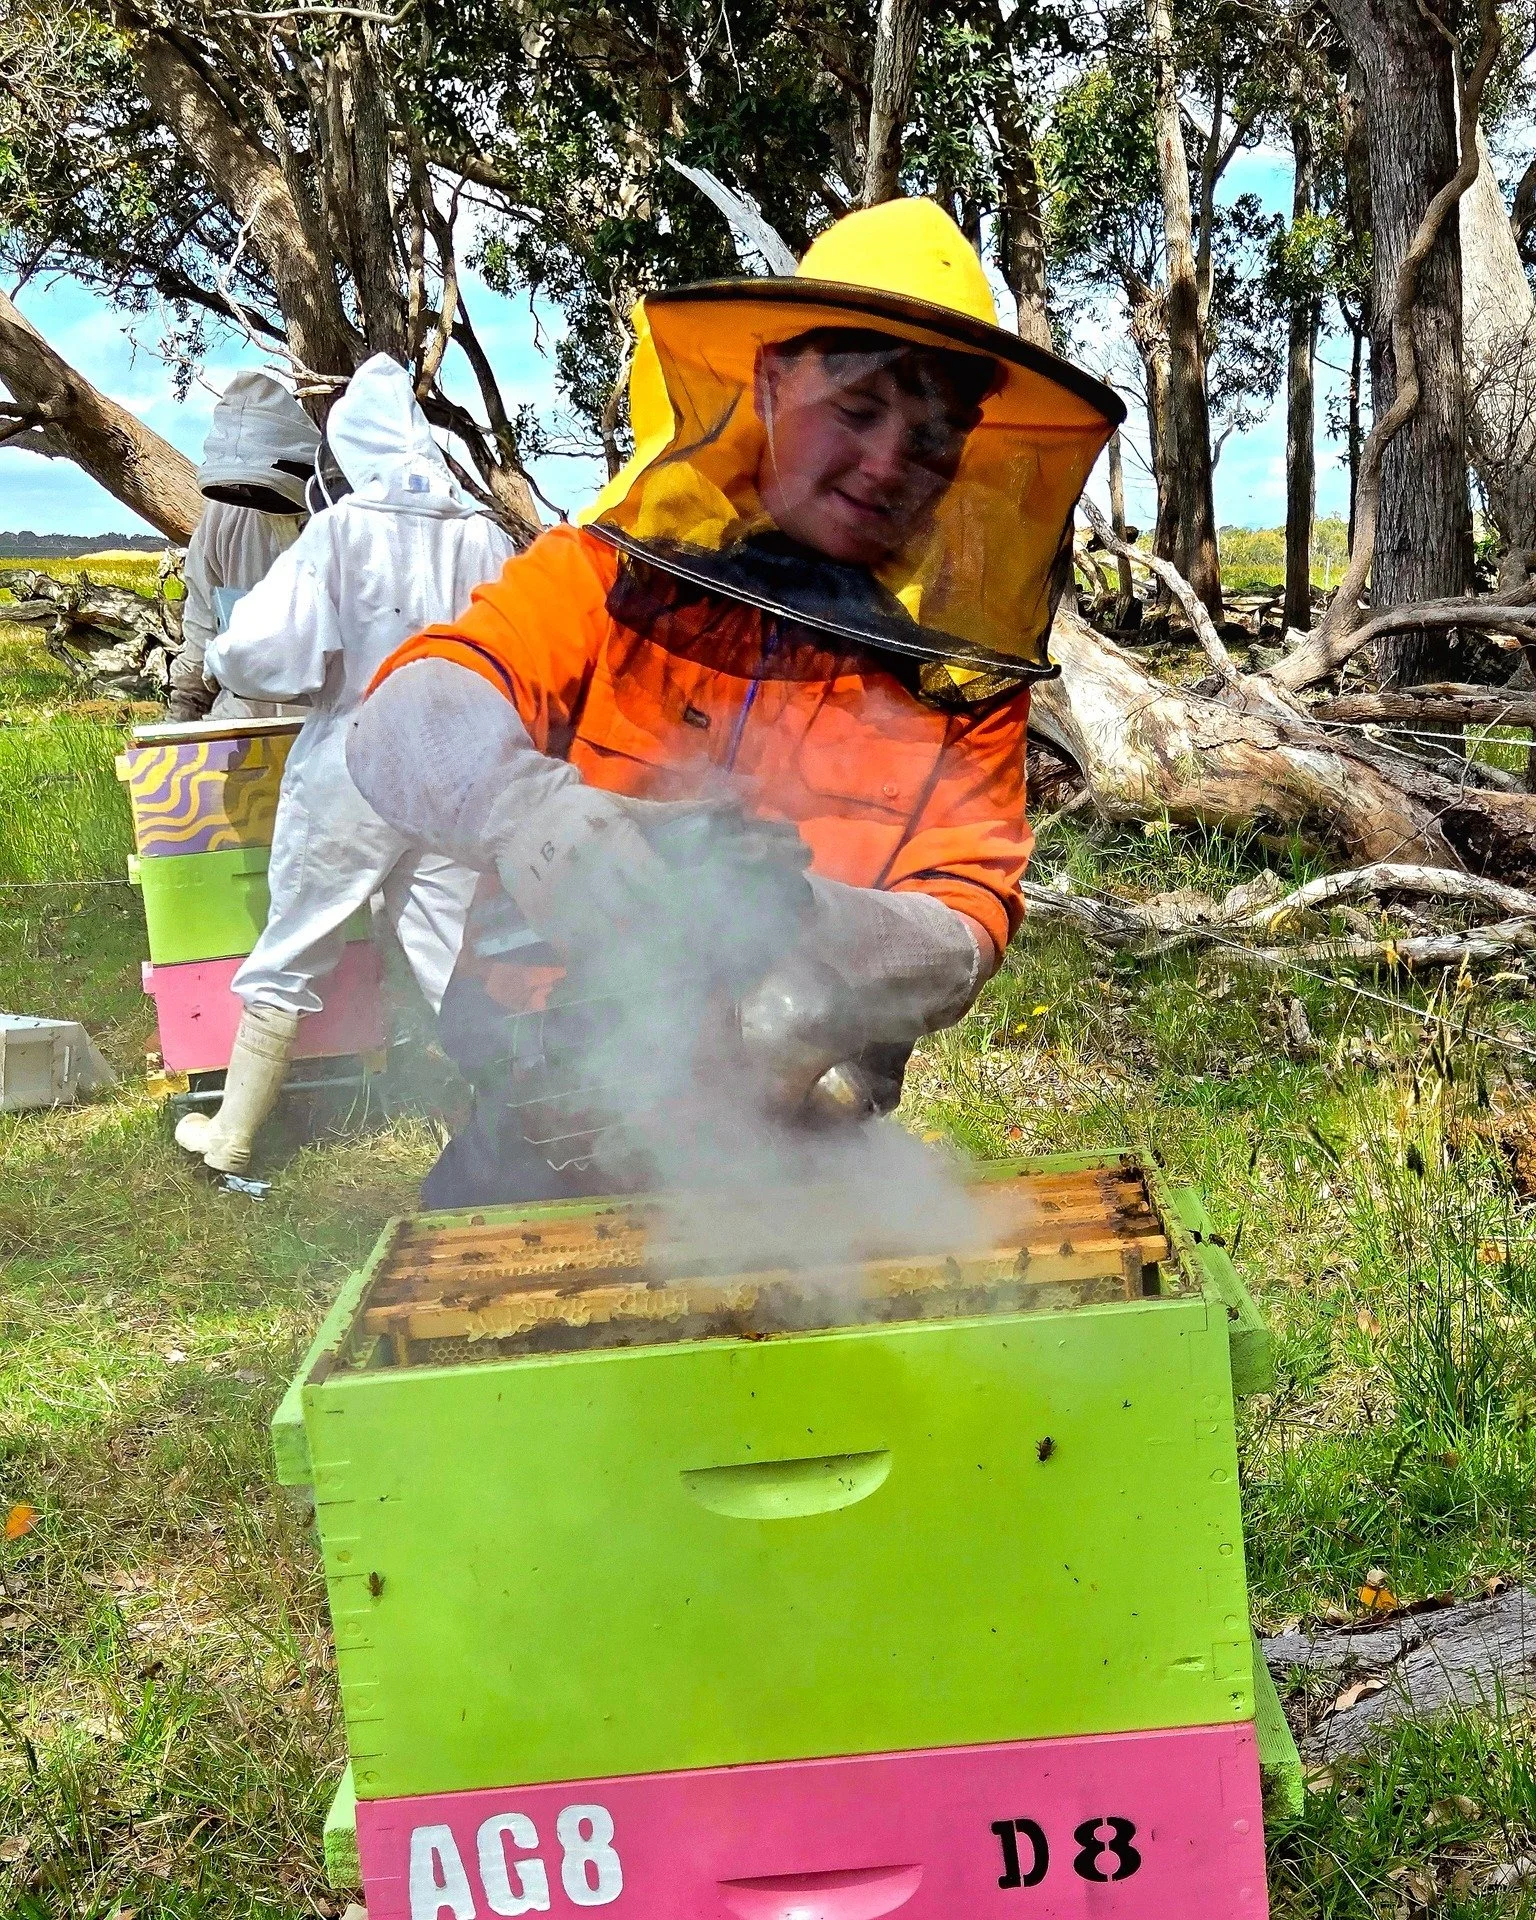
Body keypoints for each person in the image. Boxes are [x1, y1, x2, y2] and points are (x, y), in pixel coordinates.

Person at [347, 197, 1124, 1208]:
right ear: (769, 384)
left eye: (932, 438)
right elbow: (408, 713)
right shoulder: (605, 580)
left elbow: (967, 920)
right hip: (539, 1135)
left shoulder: (955, 682)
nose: (888, 464)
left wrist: (809, 936)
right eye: (857, 411)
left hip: (795, 1151)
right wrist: (528, 813)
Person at [174, 354, 517, 1175]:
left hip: (352, 765)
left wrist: (218, 658)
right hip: (456, 773)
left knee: (293, 945)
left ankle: (232, 1136)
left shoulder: (341, 530)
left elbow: (266, 654)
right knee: (452, 959)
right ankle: (517, 1131)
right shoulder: (484, 534)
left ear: (351, 447)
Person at [166, 371, 319, 723]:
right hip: (241, 719)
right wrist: (182, 711)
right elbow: (202, 628)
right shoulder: (221, 519)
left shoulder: (343, 522)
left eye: (255, 487)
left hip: (330, 722)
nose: (247, 496)